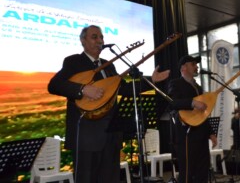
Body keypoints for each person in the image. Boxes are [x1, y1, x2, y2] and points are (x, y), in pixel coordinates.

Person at [48, 25, 169, 183]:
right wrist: (83, 89)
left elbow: (124, 89)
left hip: (111, 135)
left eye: (101, 37)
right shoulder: (74, 62)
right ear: (83, 41)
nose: (100, 40)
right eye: (94, 37)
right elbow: (54, 85)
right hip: (86, 136)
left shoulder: (109, 65)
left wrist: (151, 81)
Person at [167, 55, 217, 183]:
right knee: (188, 172)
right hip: (186, 135)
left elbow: (203, 113)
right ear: (183, 68)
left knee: (203, 170)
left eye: (196, 64)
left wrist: (211, 133)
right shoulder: (175, 83)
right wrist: (192, 103)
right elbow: (173, 102)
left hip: (201, 134)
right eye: (193, 64)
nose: (197, 66)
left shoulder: (198, 87)